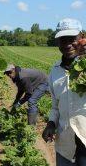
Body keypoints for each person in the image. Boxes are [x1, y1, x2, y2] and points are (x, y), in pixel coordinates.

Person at [42, 18, 86, 166]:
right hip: (65, 146)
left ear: (82, 38)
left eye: (72, 39)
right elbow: (56, 106)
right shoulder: (55, 71)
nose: (67, 45)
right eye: (62, 40)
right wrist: (51, 124)